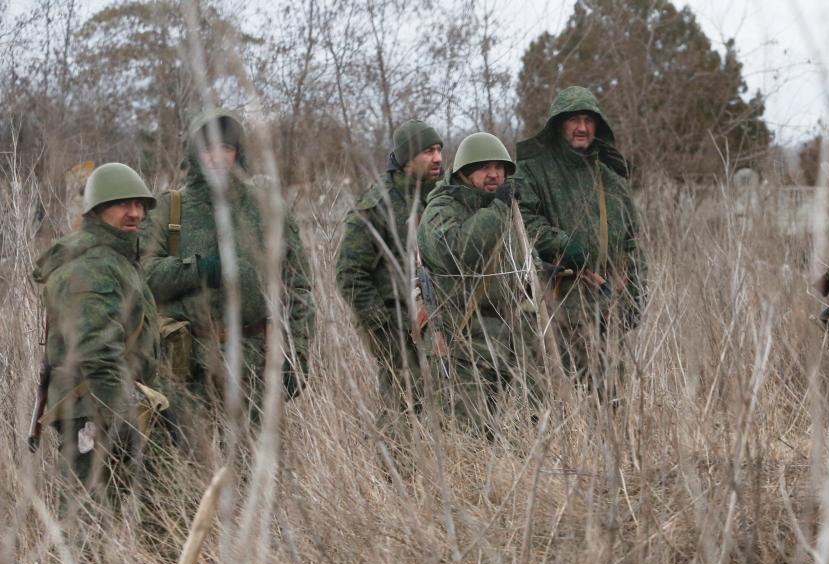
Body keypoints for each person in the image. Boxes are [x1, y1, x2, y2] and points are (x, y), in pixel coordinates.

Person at [140, 108, 314, 426]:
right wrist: (203, 269)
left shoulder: (268, 209)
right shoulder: (170, 208)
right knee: (190, 469)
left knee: (259, 469)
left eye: (227, 148)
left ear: (239, 153)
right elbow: (144, 275)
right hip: (186, 367)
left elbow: (298, 288)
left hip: (256, 364)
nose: (218, 157)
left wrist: (297, 358)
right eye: (209, 148)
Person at [32, 162, 164, 507]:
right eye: (123, 204)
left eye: (139, 205)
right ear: (99, 209)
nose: (134, 213)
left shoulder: (115, 256)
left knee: (107, 512)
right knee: (83, 519)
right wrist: (123, 418)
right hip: (92, 408)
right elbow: (97, 351)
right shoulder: (92, 265)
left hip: (107, 404)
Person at [514, 86, 647, 389]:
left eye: (588, 119)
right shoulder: (532, 172)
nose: (582, 127)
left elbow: (633, 243)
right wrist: (562, 244)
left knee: (612, 401)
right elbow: (523, 221)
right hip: (555, 308)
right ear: (558, 124)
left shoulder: (612, 179)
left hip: (607, 306)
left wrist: (634, 301)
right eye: (574, 119)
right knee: (558, 401)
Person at [417, 132, 541, 431]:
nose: (494, 174)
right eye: (484, 167)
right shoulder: (442, 209)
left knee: (525, 433)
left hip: (508, 342)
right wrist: (498, 210)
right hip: (461, 345)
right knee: (468, 438)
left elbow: (522, 260)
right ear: (464, 172)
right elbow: (460, 252)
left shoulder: (506, 209)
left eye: (499, 167)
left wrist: (544, 269)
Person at [337, 119, 443, 414]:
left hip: (442, 323)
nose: (437, 158)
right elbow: (349, 274)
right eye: (428, 151)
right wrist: (384, 328)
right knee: (404, 408)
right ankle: (396, 460)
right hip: (397, 325)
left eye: (439, 150)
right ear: (408, 157)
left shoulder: (440, 196)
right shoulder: (376, 205)